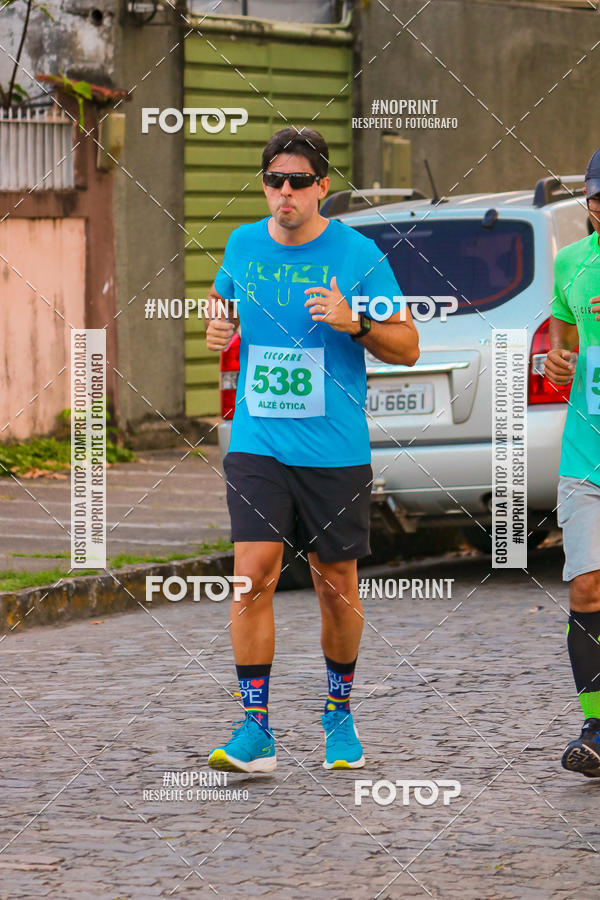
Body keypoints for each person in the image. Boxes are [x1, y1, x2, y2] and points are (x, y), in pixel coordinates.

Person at [203, 126, 419, 773]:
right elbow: (222, 302)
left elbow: (408, 345)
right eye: (275, 180)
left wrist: (355, 322)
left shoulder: (357, 256)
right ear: (265, 185)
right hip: (258, 441)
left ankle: (339, 714)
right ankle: (255, 729)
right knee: (252, 575)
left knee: (335, 587)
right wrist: (218, 324)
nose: (286, 192)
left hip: (333, 448)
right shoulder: (243, 244)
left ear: (323, 186)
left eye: (299, 181)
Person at [544, 147, 600, 777]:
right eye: (598, 196)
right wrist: (557, 363)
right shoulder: (569, 264)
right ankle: (595, 725)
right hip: (586, 452)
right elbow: (563, 348)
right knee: (587, 586)